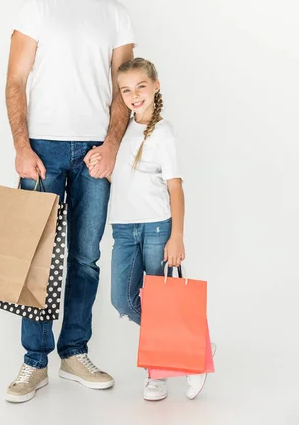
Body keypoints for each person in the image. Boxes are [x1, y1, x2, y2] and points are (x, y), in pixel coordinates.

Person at [4, 0, 135, 403]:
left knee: (85, 259)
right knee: (32, 257)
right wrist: (21, 146)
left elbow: (123, 88)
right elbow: (15, 81)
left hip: (94, 154)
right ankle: (34, 363)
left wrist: (112, 146)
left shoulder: (117, 14)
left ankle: (74, 352)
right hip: (42, 148)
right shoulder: (37, 6)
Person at [88, 57, 215, 401]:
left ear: (155, 86)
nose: (133, 95)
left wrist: (177, 235)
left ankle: (157, 375)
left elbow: (175, 187)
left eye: (140, 87)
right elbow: (126, 179)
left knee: (161, 302)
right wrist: (101, 166)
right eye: (126, 90)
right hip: (124, 229)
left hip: (158, 228)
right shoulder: (122, 130)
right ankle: (195, 347)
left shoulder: (164, 132)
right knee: (124, 300)